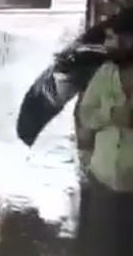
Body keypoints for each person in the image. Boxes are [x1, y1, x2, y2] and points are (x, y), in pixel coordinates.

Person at [77, 16, 133, 256]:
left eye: (113, 37)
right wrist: (111, 114)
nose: (108, 43)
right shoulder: (105, 73)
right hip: (103, 180)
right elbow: (86, 114)